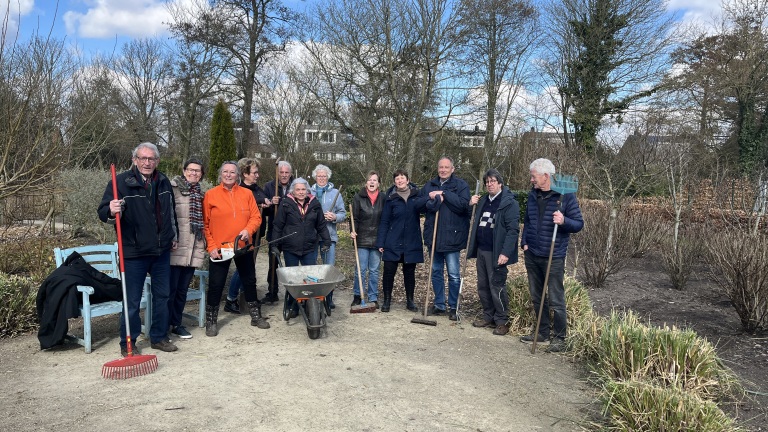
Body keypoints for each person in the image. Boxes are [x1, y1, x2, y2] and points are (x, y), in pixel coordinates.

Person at [97, 142, 178, 356]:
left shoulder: (163, 181)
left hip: (160, 251)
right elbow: (104, 212)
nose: (147, 162)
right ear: (134, 160)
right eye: (143, 158)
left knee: (163, 296)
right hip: (133, 253)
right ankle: (128, 342)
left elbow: (170, 211)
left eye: (151, 159)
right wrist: (111, 209)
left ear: (157, 161)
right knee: (131, 301)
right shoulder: (120, 182)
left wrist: (173, 235)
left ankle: (159, 337)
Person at [520, 158, 583, 352]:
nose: (531, 180)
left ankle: (560, 337)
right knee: (537, 296)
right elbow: (528, 221)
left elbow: (578, 224)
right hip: (533, 253)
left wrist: (564, 220)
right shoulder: (533, 195)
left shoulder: (566, 196)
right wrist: (524, 243)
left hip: (553, 255)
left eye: (534, 176)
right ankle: (542, 332)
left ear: (546, 176)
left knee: (556, 298)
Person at [203, 161, 268, 336]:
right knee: (216, 284)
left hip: (243, 245)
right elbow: (205, 224)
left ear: (238, 175)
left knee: (249, 280)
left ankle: (255, 315)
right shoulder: (211, 195)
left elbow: (256, 217)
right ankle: (211, 320)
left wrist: (248, 230)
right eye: (225, 172)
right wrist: (211, 246)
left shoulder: (247, 194)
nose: (229, 175)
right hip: (220, 248)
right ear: (220, 174)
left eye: (232, 172)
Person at [467, 169, 520, 336]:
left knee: (496, 285)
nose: (489, 184)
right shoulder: (483, 201)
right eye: (487, 182)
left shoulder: (508, 203)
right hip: (482, 249)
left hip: (497, 252)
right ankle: (488, 315)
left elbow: (513, 230)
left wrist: (505, 252)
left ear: (500, 183)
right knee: (483, 286)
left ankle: (502, 320)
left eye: (492, 181)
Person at [270, 177, 331, 317]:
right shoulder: (286, 204)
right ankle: (294, 306)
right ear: (293, 191)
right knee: (294, 280)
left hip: (309, 247)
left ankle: (310, 305)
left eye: (303, 189)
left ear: (307, 190)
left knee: (309, 279)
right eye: (298, 189)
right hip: (290, 247)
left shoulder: (314, 204)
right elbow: (278, 225)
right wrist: (275, 245)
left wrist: (326, 241)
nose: (301, 192)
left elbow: (321, 225)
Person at [420, 157, 470, 320]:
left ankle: (454, 306)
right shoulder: (430, 185)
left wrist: (444, 194)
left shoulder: (460, 186)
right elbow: (420, 204)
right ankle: (439, 304)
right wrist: (431, 201)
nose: (443, 170)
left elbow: (463, 205)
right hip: (433, 236)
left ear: (452, 169)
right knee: (436, 271)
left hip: (452, 237)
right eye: (440, 167)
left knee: (454, 274)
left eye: (446, 167)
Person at [375, 169, 426, 312]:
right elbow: (384, 221)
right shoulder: (390, 198)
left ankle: (410, 301)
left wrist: (435, 199)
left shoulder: (417, 196)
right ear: (394, 182)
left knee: (409, 273)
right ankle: (386, 301)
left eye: (402, 178)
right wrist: (381, 242)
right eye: (397, 178)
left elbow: (427, 208)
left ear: (408, 180)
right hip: (393, 241)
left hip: (411, 241)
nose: (400, 180)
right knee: (389, 272)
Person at [168, 158, 207, 340]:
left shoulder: (200, 194)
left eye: (198, 171)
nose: (194, 173)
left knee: (182, 290)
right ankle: (162, 325)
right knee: (170, 290)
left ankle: (176, 323)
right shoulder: (172, 188)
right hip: (175, 247)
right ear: (184, 171)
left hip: (193, 248)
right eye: (191, 170)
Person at [225, 158, 268, 314]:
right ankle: (230, 299)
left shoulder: (257, 188)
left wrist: (269, 203)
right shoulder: (240, 189)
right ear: (245, 174)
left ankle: (246, 299)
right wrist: (261, 202)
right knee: (243, 269)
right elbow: (243, 205)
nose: (257, 175)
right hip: (244, 236)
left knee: (249, 269)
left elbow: (263, 210)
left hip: (256, 234)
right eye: (254, 173)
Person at [310, 164, 346, 309]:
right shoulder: (308, 191)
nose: (322, 178)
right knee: (311, 267)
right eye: (319, 176)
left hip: (329, 236)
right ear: (315, 177)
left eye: (324, 176)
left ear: (328, 177)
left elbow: (343, 213)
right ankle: (311, 299)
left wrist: (334, 216)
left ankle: (328, 299)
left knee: (328, 268)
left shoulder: (336, 193)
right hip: (311, 236)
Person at [260, 160, 294, 304]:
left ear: (290, 173)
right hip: (275, 231)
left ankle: (292, 295)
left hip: (291, 232)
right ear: (278, 173)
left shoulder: (296, 186)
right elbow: (264, 210)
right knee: (273, 262)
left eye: (287, 172)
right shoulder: (269, 186)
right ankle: (272, 292)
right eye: (282, 172)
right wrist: (269, 204)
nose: (284, 175)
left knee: (291, 264)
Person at [350, 171, 384, 307]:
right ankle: (358, 295)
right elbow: (355, 219)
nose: (372, 182)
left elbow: (385, 220)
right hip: (362, 239)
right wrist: (352, 231)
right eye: (369, 180)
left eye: (374, 180)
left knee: (374, 270)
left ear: (378, 183)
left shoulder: (383, 198)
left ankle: (373, 296)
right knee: (360, 269)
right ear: (366, 183)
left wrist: (384, 240)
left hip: (377, 239)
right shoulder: (358, 198)